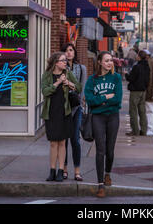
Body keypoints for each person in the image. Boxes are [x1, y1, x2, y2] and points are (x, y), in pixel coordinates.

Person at [84, 51, 123, 198]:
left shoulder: (116, 78)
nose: (109, 63)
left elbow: (117, 99)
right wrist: (106, 97)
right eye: (106, 60)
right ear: (99, 62)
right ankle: (100, 184)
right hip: (98, 117)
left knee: (110, 150)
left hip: (113, 116)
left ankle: (108, 173)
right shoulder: (92, 80)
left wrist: (99, 100)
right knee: (100, 150)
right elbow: (89, 100)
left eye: (111, 60)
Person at [41, 51, 82, 182]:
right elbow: (45, 91)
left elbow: (79, 88)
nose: (65, 62)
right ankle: (51, 171)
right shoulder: (47, 75)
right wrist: (58, 82)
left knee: (63, 142)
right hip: (51, 112)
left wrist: (69, 84)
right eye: (62, 60)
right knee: (53, 143)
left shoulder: (68, 74)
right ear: (55, 63)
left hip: (65, 112)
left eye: (65, 60)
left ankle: (60, 170)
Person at [61, 42, 87, 181]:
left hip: (76, 108)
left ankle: (77, 171)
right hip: (63, 108)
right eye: (66, 50)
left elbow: (81, 89)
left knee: (75, 140)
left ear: (75, 52)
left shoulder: (81, 68)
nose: (69, 53)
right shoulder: (59, 68)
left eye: (71, 50)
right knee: (63, 140)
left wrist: (80, 103)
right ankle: (64, 170)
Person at [125, 50, 150, 137]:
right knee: (142, 111)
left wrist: (126, 75)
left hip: (135, 91)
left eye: (137, 55)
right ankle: (144, 130)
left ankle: (135, 130)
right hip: (143, 91)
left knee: (133, 111)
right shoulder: (147, 66)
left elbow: (131, 78)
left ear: (139, 57)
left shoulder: (137, 67)